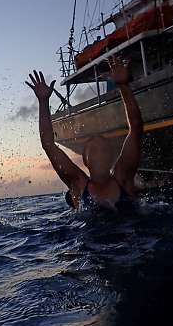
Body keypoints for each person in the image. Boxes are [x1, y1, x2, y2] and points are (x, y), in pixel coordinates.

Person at [26, 57, 143, 212]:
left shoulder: (123, 178)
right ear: (85, 161)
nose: (100, 155)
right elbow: (48, 144)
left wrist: (123, 86)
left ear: (112, 158)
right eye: (94, 151)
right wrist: (43, 102)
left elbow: (136, 127)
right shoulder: (78, 184)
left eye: (105, 151)